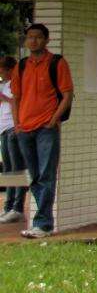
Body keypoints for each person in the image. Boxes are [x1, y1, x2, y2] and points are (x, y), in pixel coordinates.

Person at [12, 24, 73, 238]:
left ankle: (43, 224)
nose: (33, 41)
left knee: (46, 175)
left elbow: (67, 94)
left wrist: (53, 119)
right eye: (30, 37)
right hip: (25, 129)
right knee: (35, 176)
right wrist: (17, 124)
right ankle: (41, 222)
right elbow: (16, 98)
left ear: (47, 40)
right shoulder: (21, 66)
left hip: (46, 129)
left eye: (38, 37)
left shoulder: (56, 63)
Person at [0, 54, 27, 224]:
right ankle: (8, 207)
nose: (1, 74)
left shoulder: (17, 83)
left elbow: (18, 103)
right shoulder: (5, 85)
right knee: (8, 170)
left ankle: (17, 207)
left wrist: (5, 98)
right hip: (3, 129)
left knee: (17, 169)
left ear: (10, 69)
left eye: (2, 70)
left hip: (13, 127)